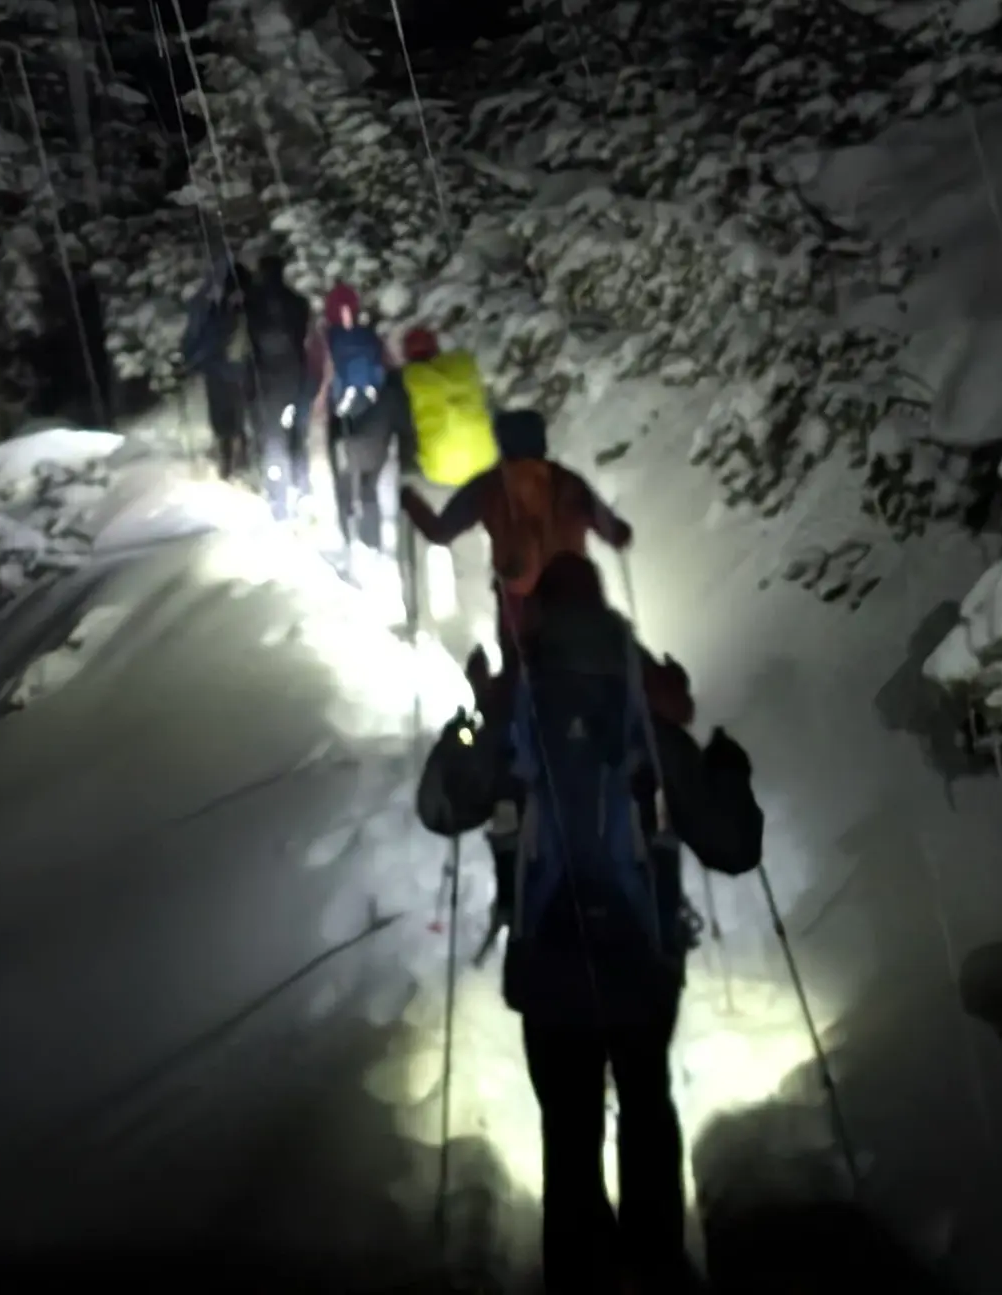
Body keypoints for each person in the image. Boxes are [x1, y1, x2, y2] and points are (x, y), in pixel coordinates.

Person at [413, 553, 764, 1294]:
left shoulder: (515, 714)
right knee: (646, 1105)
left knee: (568, 1130)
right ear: (607, 618)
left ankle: (579, 1273)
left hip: (548, 967)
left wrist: (469, 721)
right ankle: (656, 1266)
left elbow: (442, 805)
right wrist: (728, 772)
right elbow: (734, 847)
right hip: (644, 963)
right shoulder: (645, 719)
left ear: (541, 617)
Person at [399, 408, 633, 662]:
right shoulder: (569, 482)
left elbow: (439, 532)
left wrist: (409, 500)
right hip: (576, 597)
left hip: (520, 607)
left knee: (523, 671)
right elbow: (617, 534)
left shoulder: (489, 486)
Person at [321, 283, 406, 556]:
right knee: (369, 485)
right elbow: (390, 372)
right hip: (374, 422)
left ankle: (349, 540)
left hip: (341, 424)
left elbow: (320, 379)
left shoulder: (327, 339)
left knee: (344, 483)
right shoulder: (371, 338)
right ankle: (373, 544)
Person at [242, 252, 317, 517]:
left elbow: (245, 344)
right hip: (296, 378)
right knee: (297, 436)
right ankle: (303, 488)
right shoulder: (298, 302)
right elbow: (303, 335)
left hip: (267, 384)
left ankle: (279, 499)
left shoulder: (251, 305)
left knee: (274, 441)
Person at [396, 326, 497, 490]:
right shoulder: (465, 366)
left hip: (440, 471)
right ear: (436, 347)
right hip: (486, 459)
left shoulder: (407, 381)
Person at [179, 258, 248, 480]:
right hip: (239, 370)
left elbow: (207, 339)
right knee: (237, 415)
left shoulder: (213, 308)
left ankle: (228, 461)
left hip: (218, 371)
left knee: (223, 417)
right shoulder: (245, 303)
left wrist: (190, 362)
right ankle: (241, 457)